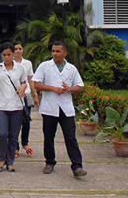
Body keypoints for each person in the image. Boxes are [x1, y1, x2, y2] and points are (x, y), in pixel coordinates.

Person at [32, 40, 88, 179]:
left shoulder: (72, 68)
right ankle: (50, 162)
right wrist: (52, 88)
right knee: (49, 136)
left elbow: (79, 87)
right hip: (49, 107)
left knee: (70, 137)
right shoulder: (45, 66)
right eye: (53, 51)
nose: (55, 54)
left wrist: (69, 89)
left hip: (66, 108)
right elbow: (36, 84)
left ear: (65, 53)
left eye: (58, 51)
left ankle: (77, 166)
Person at [0, 42, 27, 172]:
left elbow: (24, 82)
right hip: (1, 106)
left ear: (13, 54)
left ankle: (10, 161)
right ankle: (1, 159)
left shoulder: (20, 68)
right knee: (2, 133)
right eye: (4, 55)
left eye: (9, 54)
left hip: (16, 106)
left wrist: (23, 87)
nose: (7, 57)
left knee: (14, 135)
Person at [13, 41, 39, 158]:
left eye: (20, 48)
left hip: (26, 95)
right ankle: (15, 146)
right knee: (15, 123)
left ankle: (25, 143)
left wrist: (35, 95)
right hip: (13, 97)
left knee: (26, 121)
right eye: (16, 48)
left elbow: (30, 80)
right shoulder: (8, 63)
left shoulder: (27, 63)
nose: (18, 50)